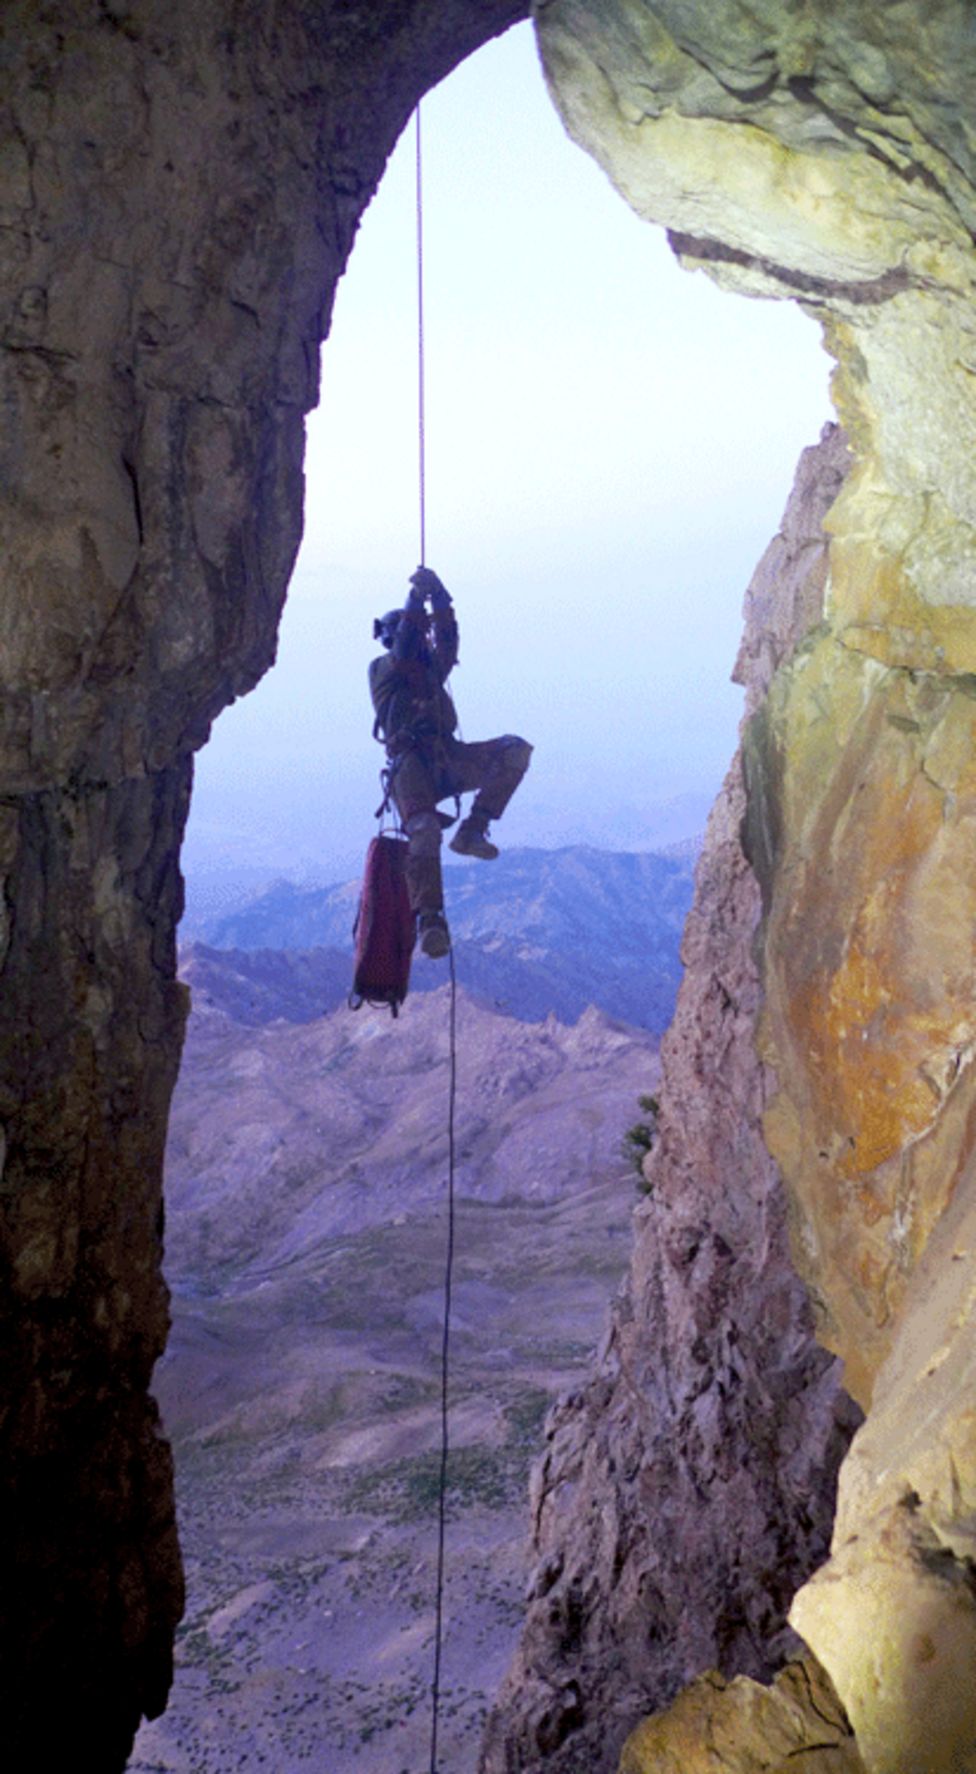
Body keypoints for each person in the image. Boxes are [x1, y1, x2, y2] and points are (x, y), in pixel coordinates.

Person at [369, 566, 532, 959]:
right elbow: (407, 646)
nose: (425, 644)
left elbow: (448, 642)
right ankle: (429, 919)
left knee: (514, 751)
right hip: (411, 767)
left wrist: (440, 599)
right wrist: (417, 598)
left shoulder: (429, 672)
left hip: (445, 757)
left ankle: (473, 830)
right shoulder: (383, 670)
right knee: (423, 830)